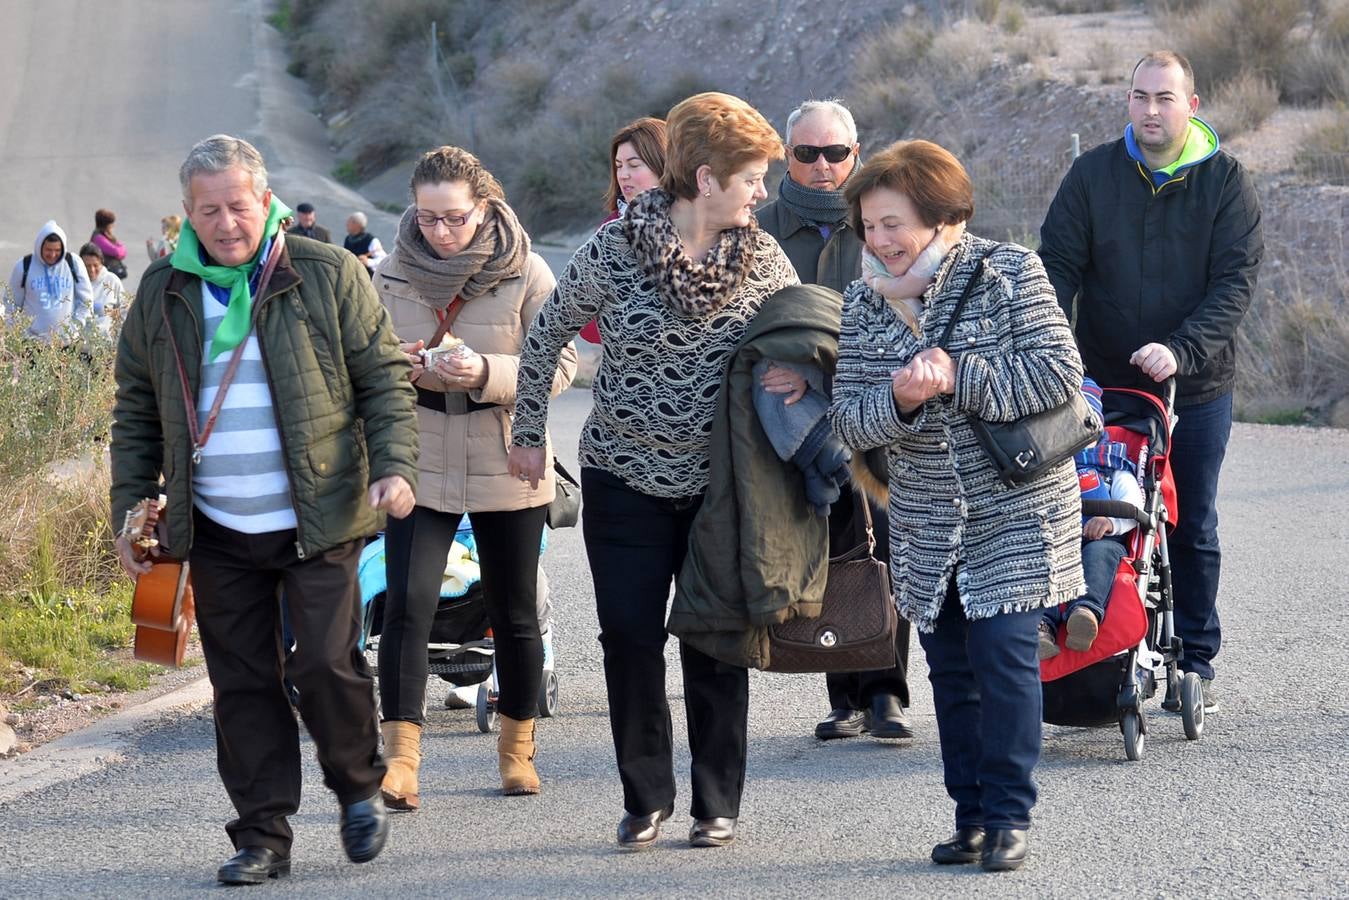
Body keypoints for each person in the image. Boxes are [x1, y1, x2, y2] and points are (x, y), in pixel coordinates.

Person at [109, 134, 418, 886]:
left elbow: (381, 380)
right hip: (214, 525)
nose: (224, 222)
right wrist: (130, 507)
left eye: (236, 206)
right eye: (207, 210)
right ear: (187, 213)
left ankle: (356, 787)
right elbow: (136, 411)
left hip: (318, 514)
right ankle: (263, 834)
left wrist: (396, 468)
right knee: (242, 681)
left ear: (264, 199)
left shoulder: (325, 271)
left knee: (323, 661)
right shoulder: (162, 291)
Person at [508, 92, 797, 850]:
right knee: (629, 639)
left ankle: (714, 802)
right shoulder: (613, 250)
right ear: (705, 179)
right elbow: (546, 338)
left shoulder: (763, 257)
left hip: (721, 488)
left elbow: (807, 335)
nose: (761, 192)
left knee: (713, 640)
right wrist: (529, 432)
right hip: (623, 478)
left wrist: (798, 377)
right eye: (751, 178)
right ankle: (646, 797)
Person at [830, 139, 1086, 872]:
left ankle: (1009, 814)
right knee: (950, 673)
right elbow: (849, 420)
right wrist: (899, 401)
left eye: (892, 224)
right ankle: (969, 814)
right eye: (868, 227)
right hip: (923, 518)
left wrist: (956, 375)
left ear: (942, 217)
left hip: (1017, 506)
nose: (878, 242)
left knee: (1004, 660)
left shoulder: (1008, 271)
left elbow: (1056, 376)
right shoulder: (860, 302)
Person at [1038, 50, 1263, 710]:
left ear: (1191, 105)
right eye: (1138, 96)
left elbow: (1233, 283)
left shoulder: (1225, 182)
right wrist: (1056, 354)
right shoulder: (1091, 175)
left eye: (1164, 97)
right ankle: (1099, 646)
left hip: (1191, 385)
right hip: (1098, 387)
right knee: (1097, 512)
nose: (1149, 109)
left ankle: (1194, 659)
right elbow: (1054, 268)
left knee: (1188, 522)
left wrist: (1182, 348)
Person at [372, 145, 577, 808]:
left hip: (505, 448)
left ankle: (517, 750)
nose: (440, 232)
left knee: (514, 610)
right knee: (406, 606)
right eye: (427, 218)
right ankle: (400, 760)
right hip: (418, 450)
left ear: (484, 207)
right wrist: (396, 365)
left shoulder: (527, 270)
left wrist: (486, 373)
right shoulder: (390, 273)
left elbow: (562, 365)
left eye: (454, 218)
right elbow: (366, 359)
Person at [756, 97, 915, 743]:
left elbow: (901, 313)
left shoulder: (880, 221)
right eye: (806, 153)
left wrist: (813, 364)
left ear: (856, 153)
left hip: (875, 407)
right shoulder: (762, 229)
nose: (822, 166)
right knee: (827, 544)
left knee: (886, 542)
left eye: (835, 153)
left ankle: (885, 694)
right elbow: (754, 318)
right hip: (795, 419)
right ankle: (840, 688)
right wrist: (783, 363)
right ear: (786, 157)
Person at [1038, 377, 1145, 659]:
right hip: (1058, 537)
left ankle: (1085, 613)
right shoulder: (1047, 463)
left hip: (1103, 538)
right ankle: (1042, 627)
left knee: (1100, 556)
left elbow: (1133, 504)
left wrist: (1111, 523)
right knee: (1043, 562)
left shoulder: (1112, 465)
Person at [581, 116, 667, 344]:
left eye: (634, 165)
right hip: (624, 370)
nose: (623, 174)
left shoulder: (700, 225)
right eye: (619, 166)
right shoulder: (609, 230)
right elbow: (586, 323)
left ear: (664, 164)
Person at [5, 221, 92, 343]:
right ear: (39, 246)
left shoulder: (73, 263)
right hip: (32, 343)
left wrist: (75, 328)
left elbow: (86, 301)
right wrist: (19, 334)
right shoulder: (24, 266)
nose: (52, 254)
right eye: (48, 249)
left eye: (57, 250)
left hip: (67, 343)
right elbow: (11, 303)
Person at [77, 242, 126, 336]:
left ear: (102, 263)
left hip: (105, 345)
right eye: (87, 266)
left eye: (95, 265)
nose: (92, 270)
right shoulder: (76, 281)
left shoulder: (112, 281)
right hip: (79, 346)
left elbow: (124, 311)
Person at [344, 211, 387, 276]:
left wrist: (368, 262)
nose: (346, 224)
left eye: (349, 221)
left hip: (365, 279)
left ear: (357, 224)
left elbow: (383, 261)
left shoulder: (371, 240)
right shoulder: (348, 238)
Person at [90, 208, 129, 279]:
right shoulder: (98, 238)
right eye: (111, 225)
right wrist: (120, 247)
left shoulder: (106, 236)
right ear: (106, 225)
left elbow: (121, 250)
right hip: (104, 274)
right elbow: (117, 252)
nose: (113, 227)